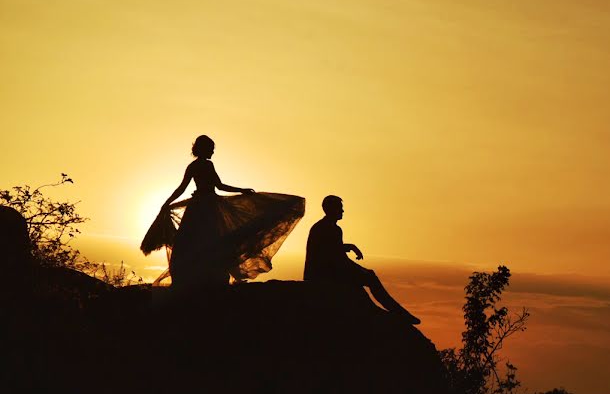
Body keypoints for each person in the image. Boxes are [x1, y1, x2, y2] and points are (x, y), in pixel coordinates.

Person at [140, 135, 305, 288]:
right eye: (211, 148)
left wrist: (166, 203)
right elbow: (219, 186)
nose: (213, 151)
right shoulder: (206, 164)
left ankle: (193, 277)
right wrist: (242, 190)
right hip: (209, 207)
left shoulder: (192, 166)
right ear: (204, 149)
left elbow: (181, 188)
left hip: (196, 207)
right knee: (212, 240)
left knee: (192, 242)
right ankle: (210, 277)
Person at [304, 195, 420, 325]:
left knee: (365, 279)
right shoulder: (326, 228)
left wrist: (350, 250)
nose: (342, 211)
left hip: (327, 272)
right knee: (370, 277)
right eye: (340, 208)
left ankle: (389, 311)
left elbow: (336, 253)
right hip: (323, 275)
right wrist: (361, 268)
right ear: (330, 209)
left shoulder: (329, 228)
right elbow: (334, 258)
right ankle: (399, 313)